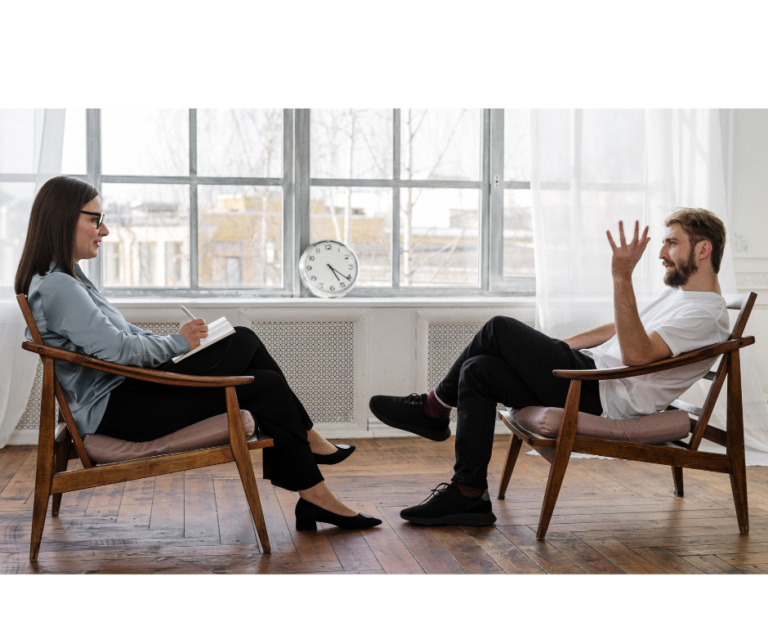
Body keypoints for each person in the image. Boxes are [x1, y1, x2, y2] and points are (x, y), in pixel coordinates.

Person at [15, 176, 381, 532]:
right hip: (117, 410)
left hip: (124, 396)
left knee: (246, 345)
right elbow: (118, 350)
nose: (105, 231)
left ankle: (313, 482)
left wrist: (178, 342)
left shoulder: (68, 279)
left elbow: (122, 336)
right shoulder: (60, 286)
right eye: (96, 220)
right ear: (64, 219)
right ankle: (311, 464)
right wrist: (178, 343)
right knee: (259, 373)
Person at [370, 210, 731, 526]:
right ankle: (468, 493)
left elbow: (636, 355)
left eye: (672, 243)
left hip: (602, 394)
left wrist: (622, 277)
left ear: (703, 250)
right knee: (478, 369)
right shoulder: (682, 296)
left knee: (499, 328)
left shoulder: (705, 314)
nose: (662, 253)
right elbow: (622, 328)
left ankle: (433, 409)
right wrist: (559, 347)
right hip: (592, 376)